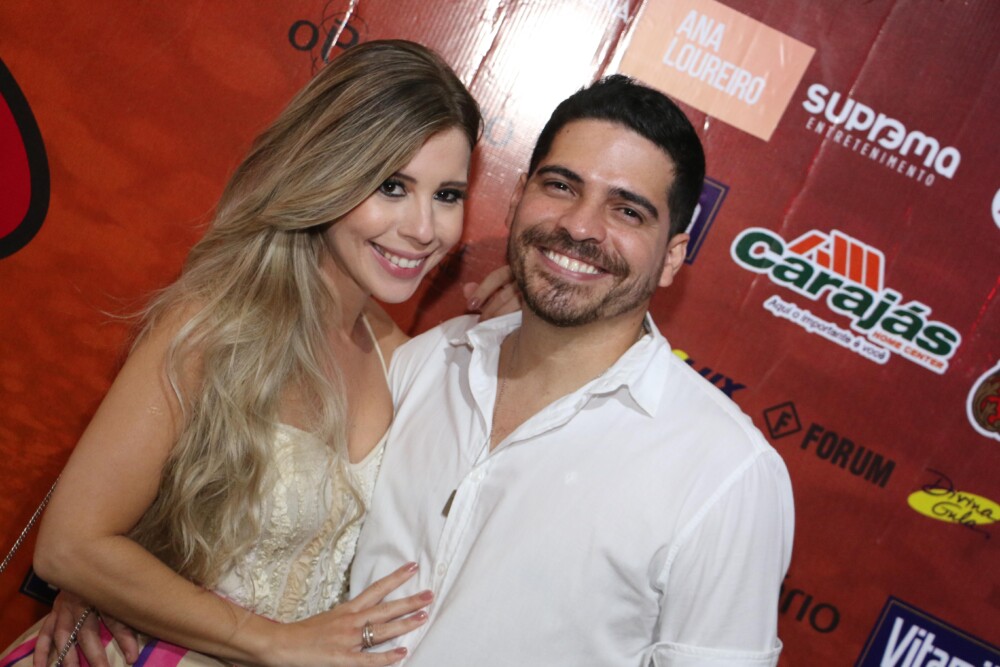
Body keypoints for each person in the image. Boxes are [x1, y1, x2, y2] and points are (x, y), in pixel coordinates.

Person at [1, 39, 504, 667]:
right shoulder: (219, 322)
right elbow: (70, 547)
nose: (423, 229)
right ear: (327, 172)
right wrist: (272, 640)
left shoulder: (401, 361)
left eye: (447, 195)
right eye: (391, 186)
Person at [350, 74, 795, 665]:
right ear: (518, 197)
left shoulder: (725, 474)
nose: (580, 226)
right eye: (561, 186)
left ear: (671, 258)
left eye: (627, 211)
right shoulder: (430, 361)